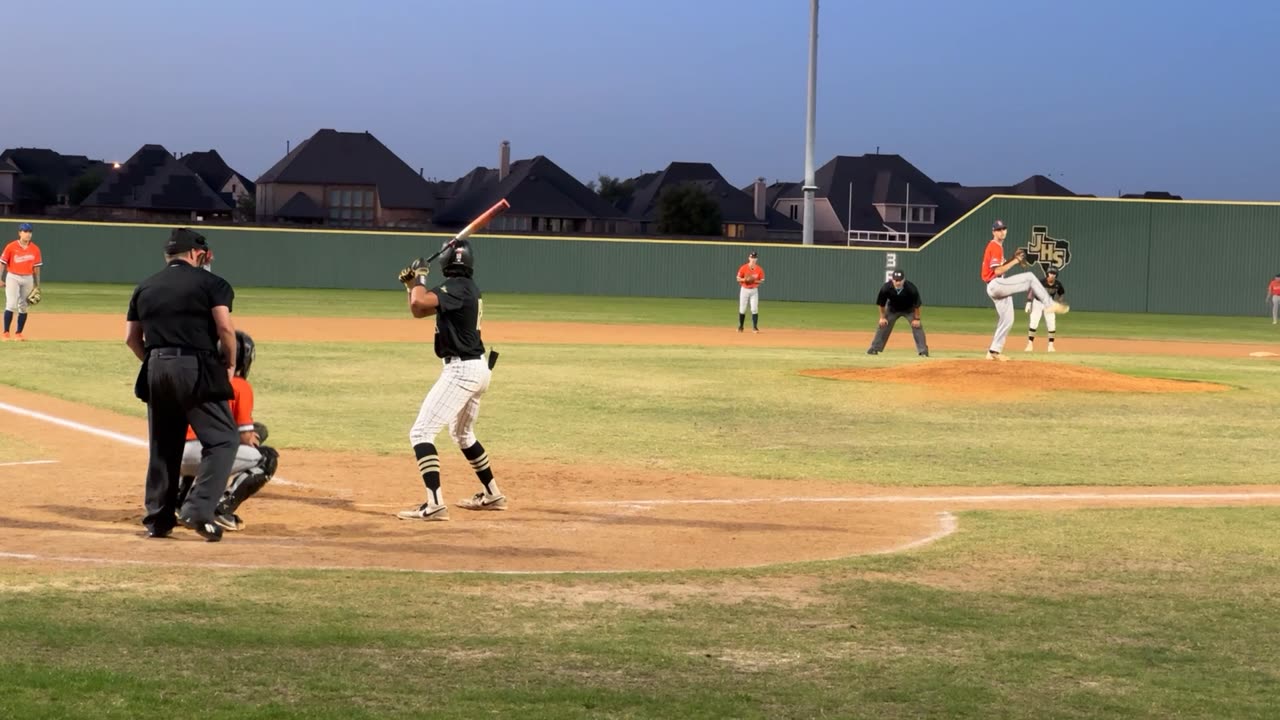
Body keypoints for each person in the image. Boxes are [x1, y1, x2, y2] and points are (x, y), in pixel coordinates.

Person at [124, 228, 240, 542]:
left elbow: (131, 339)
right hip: (196, 365)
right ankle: (198, 509)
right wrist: (229, 364)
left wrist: (155, 363)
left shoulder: (145, 286)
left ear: (169, 255)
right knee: (223, 440)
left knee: (164, 446)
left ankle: (158, 520)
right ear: (194, 253)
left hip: (155, 367)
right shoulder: (212, 283)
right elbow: (225, 328)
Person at [396, 239, 504, 521]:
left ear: (445, 262)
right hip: (477, 369)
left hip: (462, 371)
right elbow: (419, 309)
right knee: (463, 435)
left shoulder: (455, 288)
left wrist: (420, 275)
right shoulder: (465, 288)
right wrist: (411, 285)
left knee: (420, 433)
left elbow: (421, 302)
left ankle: (434, 505)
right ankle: (493, 494)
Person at [176, 330, 279, 532]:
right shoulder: (240, 386)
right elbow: (244, 436)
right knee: (266, 458)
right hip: (205, 457)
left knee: (205, 438)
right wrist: (254, 438)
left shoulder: (195, 377)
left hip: (174, 458)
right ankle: (221, 509)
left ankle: (179, 502)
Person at [981, 219, 1069, 361]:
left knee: (1008, 319)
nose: (1002, 231)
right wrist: (1015, 260)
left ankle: (993, 351)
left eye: (1003, 228)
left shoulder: (998, 247)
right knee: (1029, 278)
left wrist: (1011, 259)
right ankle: (1050, 304)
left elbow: (1001, 267)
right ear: (993, 232)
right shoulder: (995, 246)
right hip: (996, 284)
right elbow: (997, 271)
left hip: (996, 286)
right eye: (998, 229)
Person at [866, 269, 929, 357]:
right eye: (896, 280)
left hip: (909, 310)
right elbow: (881, 304)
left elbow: (917, 305)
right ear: (892, 280)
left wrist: (917, 319)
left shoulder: (911, 288)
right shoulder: (886, 288)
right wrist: (882, 317)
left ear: (904, 280)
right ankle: (874, 348)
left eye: (900, 280)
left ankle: (923, 351)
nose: (898, 282)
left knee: (917, 326)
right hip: (892, 310)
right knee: (883, 324)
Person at [1, 222, 42, 341]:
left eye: (30, 232)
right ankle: (6, 333)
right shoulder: (11, 246)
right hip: (13, 276)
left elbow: (37, 268)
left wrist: (37, 284)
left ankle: (19, 333)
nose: (28, 234)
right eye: (25, 231)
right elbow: (2, 263)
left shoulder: (35, 249)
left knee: (24, 306)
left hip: (28, 277)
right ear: (19, 233)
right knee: (11, 304)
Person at [1025, 268, 1066, 352]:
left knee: (1051, 323)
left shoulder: (1058, 284)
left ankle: (1051, 346)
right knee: (1034, 322)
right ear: (1047, 274)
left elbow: (1061, 294)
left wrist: (1058, 303)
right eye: (1050, 273)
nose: (1052, 275)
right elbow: (1032, 290)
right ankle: (1030, 344)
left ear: (1056, 275)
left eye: (1054, 274)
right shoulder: (1041, 282)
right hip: (1038, 302)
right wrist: (1029, 302)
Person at [736, 251, 764, 333]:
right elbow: (738, 278)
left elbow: (761, 281)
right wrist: (745, 280)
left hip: (754, 290)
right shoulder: (743, 268)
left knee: (754, 309)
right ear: (749, 258)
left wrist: (753, 281)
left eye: (754, 258)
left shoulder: (759, 269)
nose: (753, 259)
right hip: (744, 289)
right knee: (742, 309)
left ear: (756, 259)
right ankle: (741, 327)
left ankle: (755, 327)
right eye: (752, 257)